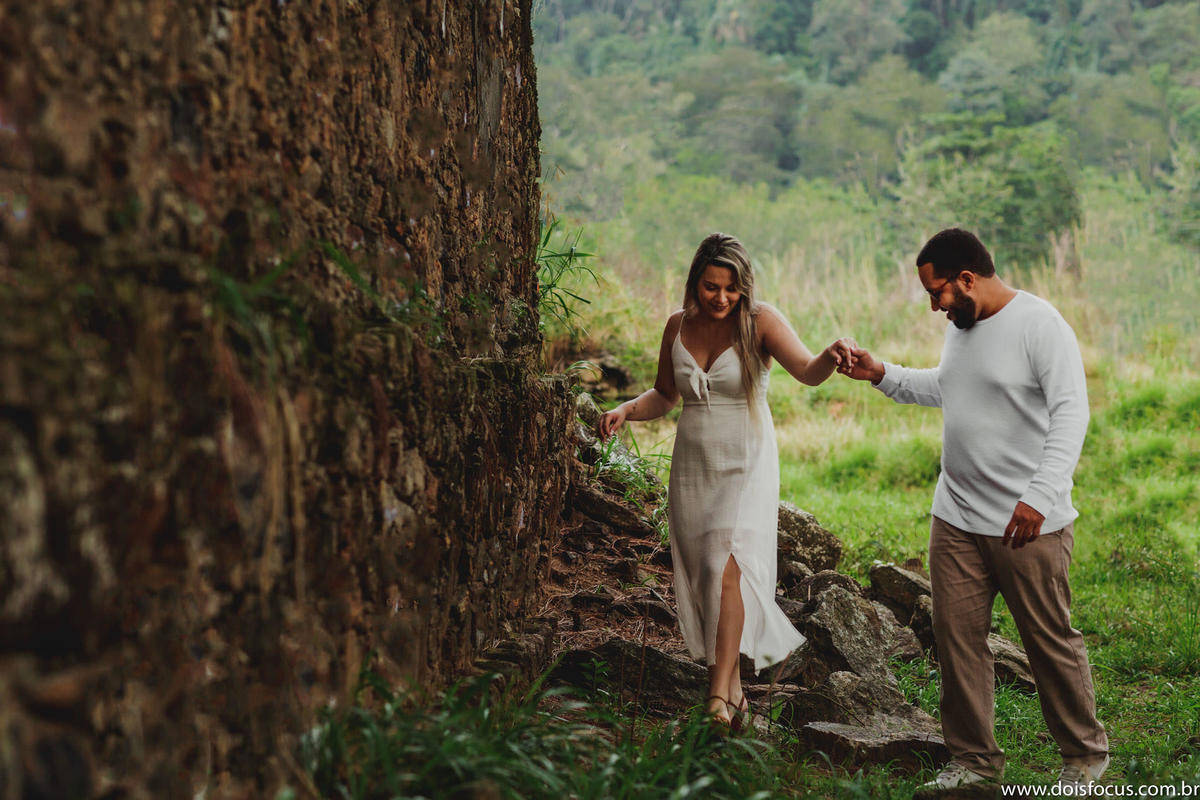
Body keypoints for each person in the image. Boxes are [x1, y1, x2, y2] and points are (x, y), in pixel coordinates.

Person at [837, 228, 1109, 789]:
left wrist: (1040, 495)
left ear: (967, 279)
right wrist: (882, 374)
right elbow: (951, 386)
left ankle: (1084, 759)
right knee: (957, 638)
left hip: (1026, 522)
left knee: (1047, 638)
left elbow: (1071, 413)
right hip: (956, 516)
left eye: (936, 292)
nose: (934, 305)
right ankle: (974, 763)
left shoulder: (1040, 325)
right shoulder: (963, 327)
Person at [598, 232, 856, 729]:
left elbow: (807, 371)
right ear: (695, 282)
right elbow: (665, 395)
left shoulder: (761, 321)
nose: (720, 298)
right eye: (711, 287)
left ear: (744, 287)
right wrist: (627, 409)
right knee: (704, 573)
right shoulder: (677, 325)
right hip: (694, 463)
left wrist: (832, 352)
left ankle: (715, 696)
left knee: (727, 566)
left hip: (746, 460)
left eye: (730, 289)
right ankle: (735, 697)